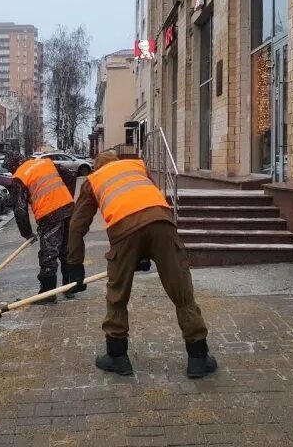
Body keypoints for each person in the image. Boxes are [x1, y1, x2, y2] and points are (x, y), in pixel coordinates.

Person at [64, 151, 216, 379]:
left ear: (97, 167)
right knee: (181, 291)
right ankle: (198, 357)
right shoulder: (137, 167)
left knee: (117, 294)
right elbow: (145, 201)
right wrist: (144, 253)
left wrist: (75, 264)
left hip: (124, 229)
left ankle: (117, 356)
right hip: (162, 222)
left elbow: (77, 226)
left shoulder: (93, 180)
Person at [4, 151, 75, 301]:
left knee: (48, 254)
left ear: (15, 165)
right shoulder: (45, 163)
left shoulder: (19, 177)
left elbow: (20, 209)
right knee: (66, 249)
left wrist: (27, 233)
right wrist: (66, 196)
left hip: (49, 215)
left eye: (10, 169)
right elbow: (70, 175)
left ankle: (47, 294)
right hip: (68, 208)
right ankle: (69, 287)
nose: (11, 172)